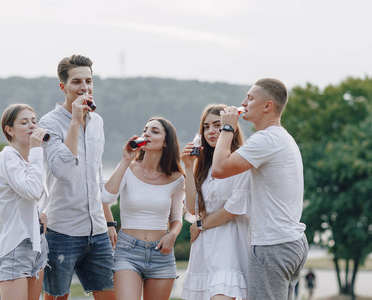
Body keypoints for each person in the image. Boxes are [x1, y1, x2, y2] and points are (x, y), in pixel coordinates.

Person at [212, 78, 309, 300]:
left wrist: (228, 127)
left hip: (272, 246)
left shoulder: (266, 140)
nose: (243, 102)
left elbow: (218, 169)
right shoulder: (282, 138)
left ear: (268, 106)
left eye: (250, 97)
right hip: (292, 242)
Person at [38, 54, 116, 300]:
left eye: (89, 81)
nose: (85, 87)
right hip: (62, 232)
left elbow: (96, 175)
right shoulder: (48, 124)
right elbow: (62, 171)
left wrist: (110, 221)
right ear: (63, 86)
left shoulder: (98, 122)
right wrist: (74, 121)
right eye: (76, 82)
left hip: (98, 231)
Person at [101, 117, 185, 300]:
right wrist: (125, 161)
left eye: (155, 131)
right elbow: (106, 198)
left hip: (161, 254)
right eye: (145, 129)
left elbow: (177, 218)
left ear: (166, 143)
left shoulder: (177, 178)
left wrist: (173, 235)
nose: (147, 133)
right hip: (128, 251)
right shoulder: (128, 168)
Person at [180, 104, 251, 300]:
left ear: (230, 127)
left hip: (230, 248)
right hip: (205, 249)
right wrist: (188, 167)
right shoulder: (205, 167)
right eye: (206, 126)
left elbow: (235, 207)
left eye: (217, 125)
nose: (211, 131)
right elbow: (193, 208)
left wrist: (201, 225)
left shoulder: (241, 159)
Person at [0, 103, 49, 300]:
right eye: (24, 122)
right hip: (14, 247)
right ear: (9, 130)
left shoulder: (31, 160)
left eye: (33, 121)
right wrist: (37, 150)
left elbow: (37, 197)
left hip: (37, 246)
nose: (31, 125)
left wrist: (41, 213)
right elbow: (31, 190)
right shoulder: (7, 157)